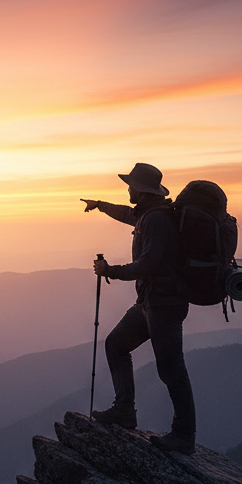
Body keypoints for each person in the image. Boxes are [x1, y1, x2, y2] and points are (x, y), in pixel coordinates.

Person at [81, 162, 196, 455]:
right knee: (116, 344)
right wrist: (99, 205)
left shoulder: (156, 219)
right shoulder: (147, 212)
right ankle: (124, 411)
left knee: (171, 368)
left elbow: (149, 264)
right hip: (149, 302)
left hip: (164, 304)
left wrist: (110, 270)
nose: (128, 189)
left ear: (141, 190)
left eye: (131, 185)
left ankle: (184, 435)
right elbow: (126, 213)